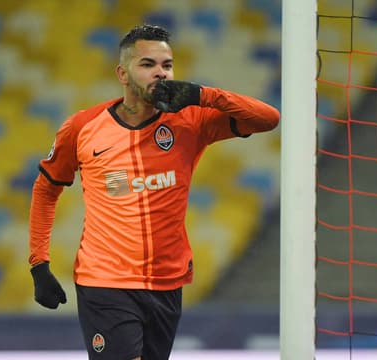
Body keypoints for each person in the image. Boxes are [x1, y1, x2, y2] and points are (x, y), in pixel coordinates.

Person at [28, 24, 280, 360]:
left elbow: (269, 119)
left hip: (167, 281)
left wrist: (203, 94)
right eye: (147, 65)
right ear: (122, 73)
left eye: (167, 65)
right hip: (106, 280)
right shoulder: (82, 127)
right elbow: (46, 190)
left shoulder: (191, 120)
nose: (160, 73)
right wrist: (38, 264)